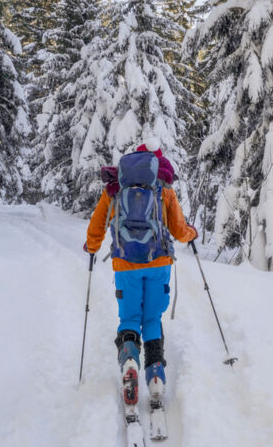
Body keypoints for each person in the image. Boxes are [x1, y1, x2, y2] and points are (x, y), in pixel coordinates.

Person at [84, 143, 197, 405]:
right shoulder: (164, 189)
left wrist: (91, 246)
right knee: (152, 319)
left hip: (125, 264)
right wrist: (192, 233)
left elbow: (98, 223)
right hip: (159, 263)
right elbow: (180, 231)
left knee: (130, 317)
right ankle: (156, 376)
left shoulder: (115, 188)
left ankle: (130, 362)